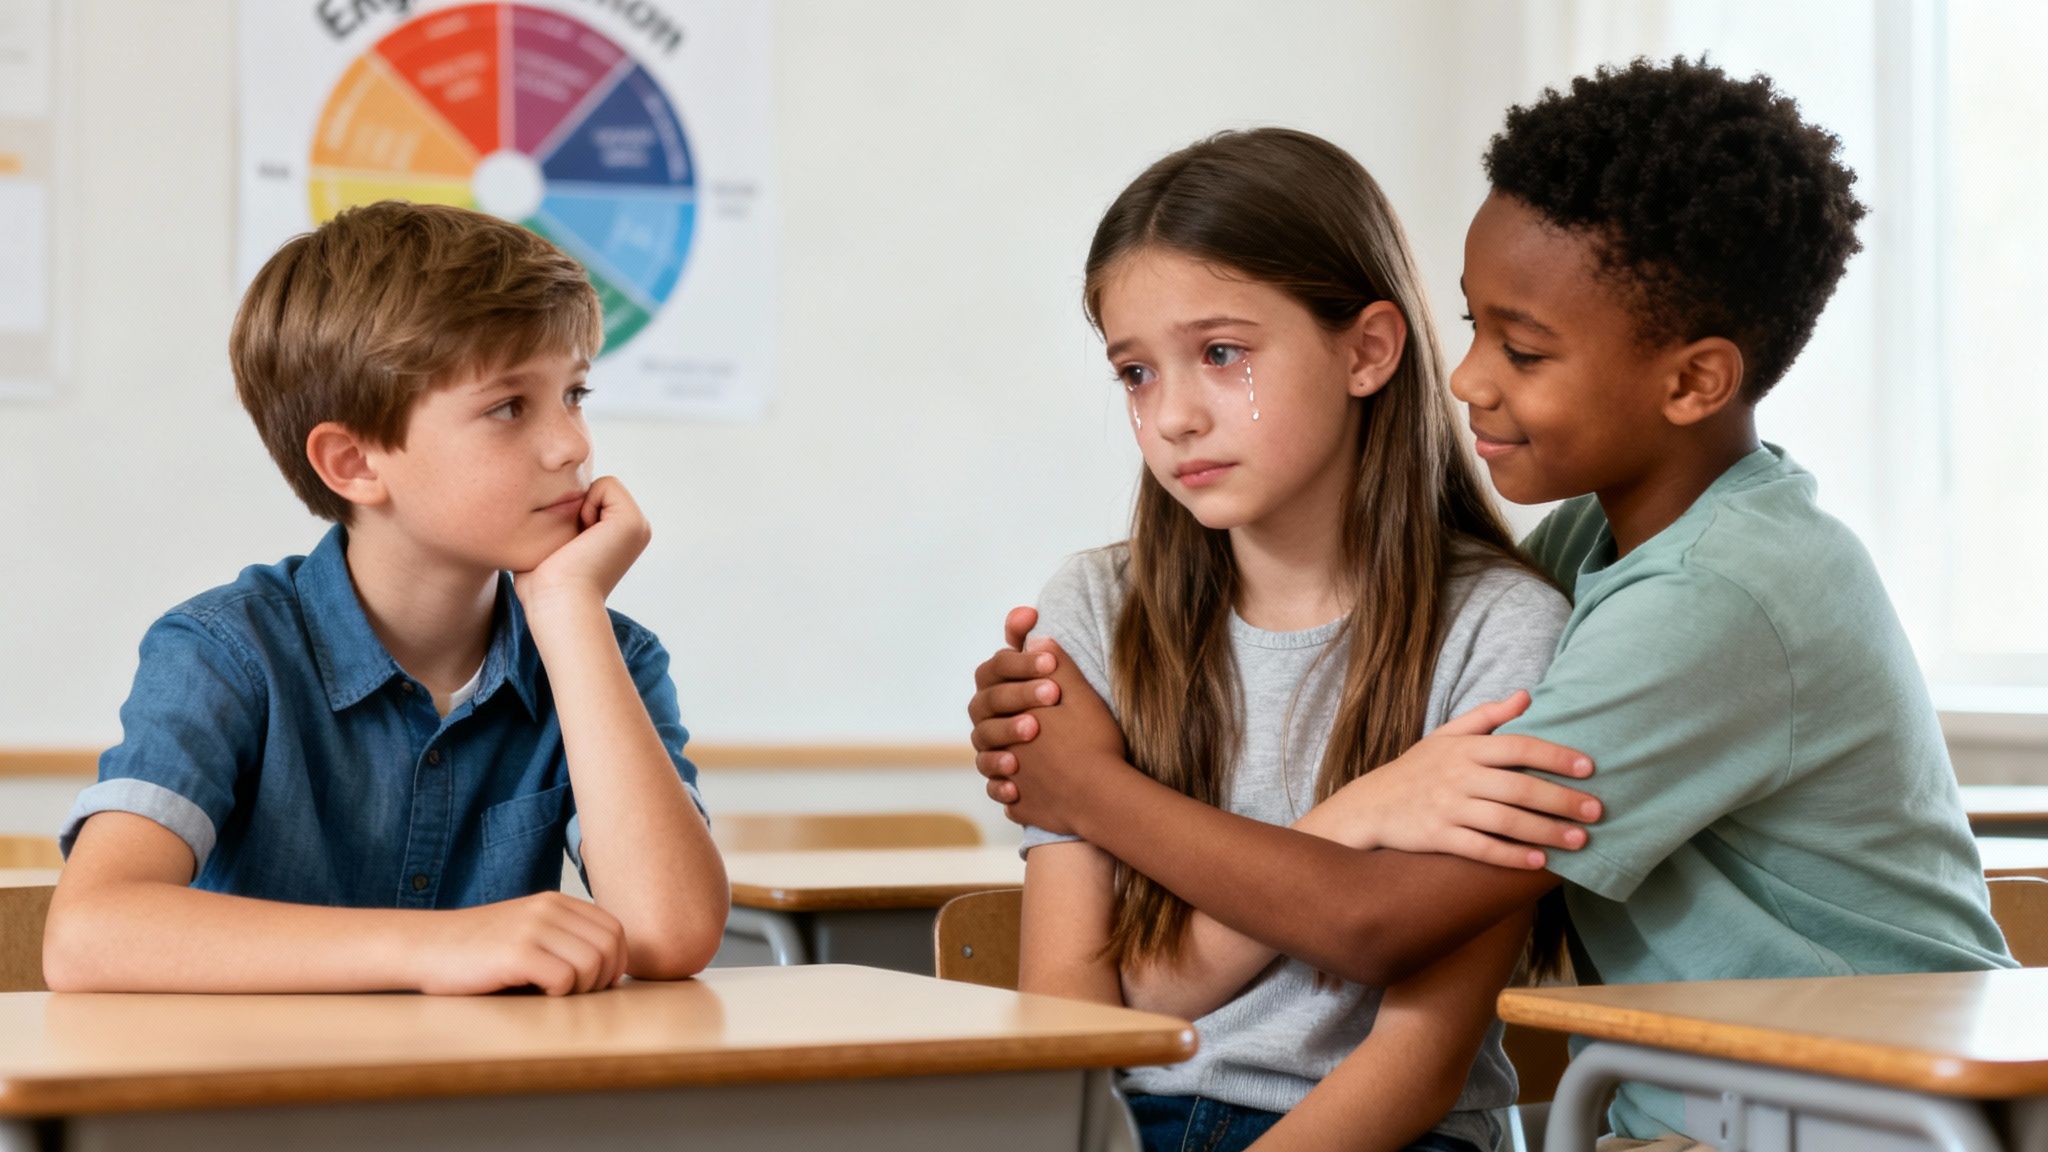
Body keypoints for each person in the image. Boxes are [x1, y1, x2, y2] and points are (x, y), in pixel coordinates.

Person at [973, 60, 2014, 1148]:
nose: (1465, 377)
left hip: (1860, 1116)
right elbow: (1084, 1010)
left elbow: (1372, 928)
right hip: (1720, 1108)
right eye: (1472, 327)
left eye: (1519, 349)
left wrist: (1081, 787)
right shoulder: (1590, 549)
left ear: (1692, 382)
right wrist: (1355, 806)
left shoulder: (1697, 596)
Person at [1007, 127, 1597, 1152]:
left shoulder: (1503, 629)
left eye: (1221, 354)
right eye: (1135, 374)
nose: (1174, 416)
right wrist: (1354, 819)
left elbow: (1412, 1069)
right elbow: (1079, 1018)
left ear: (1365, 350)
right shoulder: (1093, 608)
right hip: (1119, 1123)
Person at [44, 201, 728, 995]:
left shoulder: (607, 654)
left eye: (574, 394)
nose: (573, 445)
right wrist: (435, 947)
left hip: (478, 1107)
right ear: (354, 463)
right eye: (510, 407)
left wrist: (570, 609)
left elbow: (670, 933)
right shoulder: (227, 650)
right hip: (246, 1105)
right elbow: (89, 935)